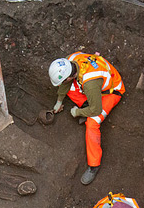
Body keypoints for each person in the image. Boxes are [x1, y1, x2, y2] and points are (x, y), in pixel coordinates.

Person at [48, 52, 125, 185]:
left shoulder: (89, 82)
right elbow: (66, 84)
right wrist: (59, 101)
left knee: (92, 123)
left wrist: (77, 112)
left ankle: (94, 165)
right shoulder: (70, 60)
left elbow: (96, 110)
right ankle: (86, 107)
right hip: (95, 86)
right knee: (71, 90)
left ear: (68, 76)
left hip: (111, 92)